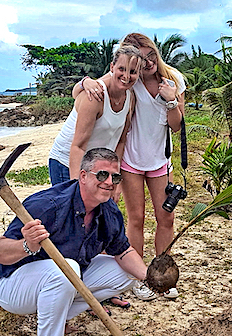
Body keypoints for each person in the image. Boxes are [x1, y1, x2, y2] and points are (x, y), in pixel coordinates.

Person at [0, 148, 149, 336]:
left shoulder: (109, 211)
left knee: (124, 272)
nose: (109, 183)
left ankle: (57, 316)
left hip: (56, 279)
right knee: (68, 270)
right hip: (12, 285)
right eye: (102, 175)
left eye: (115, 178)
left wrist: (149, 277)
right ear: (83, 176)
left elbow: (123, 251)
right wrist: (27, 245)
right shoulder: (48, 205)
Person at [73, 33, 186, 301]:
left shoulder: (174, 80)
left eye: (151, 55)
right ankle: (138, 277)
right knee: (135, 219)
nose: (146, 63)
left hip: (160, 161)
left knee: (166, 218)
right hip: (132, 162)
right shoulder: (129, 78)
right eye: (141, 57)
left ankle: (162, 274)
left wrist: (171, 99)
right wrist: (85, 81)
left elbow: (177, 125)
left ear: (156, 54)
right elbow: (87, 90)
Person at [48, 45, 142, 198]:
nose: (126, 76)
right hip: (66, 161)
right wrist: (76, 189)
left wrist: (114, 181)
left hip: (96, 166)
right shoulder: (95, 96)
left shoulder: (130, 98)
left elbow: (121, 142)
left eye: (132, 72)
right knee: (72, 213)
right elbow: (78, 146)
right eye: (121, 69)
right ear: (112, 67)